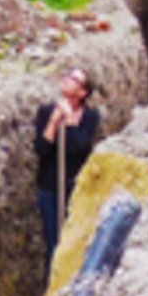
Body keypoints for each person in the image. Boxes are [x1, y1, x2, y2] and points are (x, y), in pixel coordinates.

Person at [33, 66, 100, 275]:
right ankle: (52, 289)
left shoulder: (90, 117)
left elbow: (78, 149)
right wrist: (54, 122)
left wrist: (70, 121)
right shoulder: (46, 112)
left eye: (74, 79)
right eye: (67, 75)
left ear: (83, 93)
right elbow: (41, 150)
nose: (66, 79)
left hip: (75, 186)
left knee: (74, 241)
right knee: (54, 242)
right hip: (49, 188)